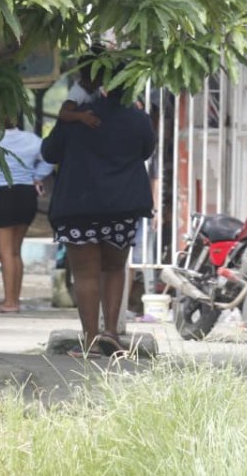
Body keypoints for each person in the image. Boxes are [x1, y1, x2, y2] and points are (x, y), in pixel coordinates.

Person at [42, 68, 155, 358]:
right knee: (115, 268)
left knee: (85, 274)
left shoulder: (76, 117)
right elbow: (146, 151)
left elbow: (49, 152)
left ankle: (91, 341)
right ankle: (112, 334)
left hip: (78, 206)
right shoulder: (139, 119)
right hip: (122, 206)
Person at [0, 120, 54, 314]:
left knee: (5, 252)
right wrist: (37, 176)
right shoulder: (32, 140)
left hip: (0, 194)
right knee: (15, 251)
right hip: (25, 194)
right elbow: (49, 158)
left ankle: (9, 302)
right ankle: (13, 298)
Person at [57, 53, 103, 128]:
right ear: (93, 78)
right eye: (101, 80)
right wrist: (81, 116)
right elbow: (63, 113)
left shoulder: (95, 89)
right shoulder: (78, 94)